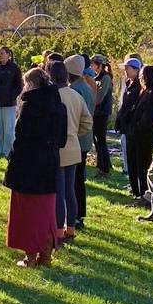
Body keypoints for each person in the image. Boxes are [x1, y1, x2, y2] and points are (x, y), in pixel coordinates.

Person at [5, 68, 67, 268]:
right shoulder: (58, 106)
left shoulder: (30, 106)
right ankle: (46, 255)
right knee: (46, 211)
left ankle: (30, 257)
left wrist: (14, 160)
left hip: (29, 165)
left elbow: (21, 138)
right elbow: (62, 139)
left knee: (27, 212)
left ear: (30, 84)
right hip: (49, 163)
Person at [49, 61, 91, 240]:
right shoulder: (75, 95)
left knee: (59, 192)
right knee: (70, 191)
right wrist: (74, 133)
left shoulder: (52, 96)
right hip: (73, 148)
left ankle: (58, 230)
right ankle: (71, 228)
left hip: (57, 149)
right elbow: (88, 123)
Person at [130, 66, 153, 220]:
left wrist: (138, 128)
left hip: (145, 135)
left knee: (144, 166)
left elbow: (148, 117)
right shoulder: (147, 92)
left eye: (142, 75)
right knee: (142, 166)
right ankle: (144, 193)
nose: (140, 77)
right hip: (142, 133)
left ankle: (146, 195)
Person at [65, 55, 94, 228]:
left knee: (74, 181)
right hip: (83, 139)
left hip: (77, 140)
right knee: (78, 180)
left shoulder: (76, 90)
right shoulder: (86, 86)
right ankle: (80, 213)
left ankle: (75, 215)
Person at [0, 46, 23, 158]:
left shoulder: (14, 68)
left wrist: (11, 96)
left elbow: (19, 85)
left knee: (8, 129)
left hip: (8, 104)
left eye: (2, 53)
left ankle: (8, 151)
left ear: (8, 55)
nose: (0, 55)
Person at [115, 56, 143, 194]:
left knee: (134, 158)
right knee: (126, 154)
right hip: (126, 126)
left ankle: (137, 187)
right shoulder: (128, 83)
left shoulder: (139, 86)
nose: (125, 71)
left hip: (132, 127)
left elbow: (133, 107)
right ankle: (133, 185)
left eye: (128, 68)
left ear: (136, 70)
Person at [90, 55, 114, 178]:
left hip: (102, 113)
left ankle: (104, 169)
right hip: (96, 113)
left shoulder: (105, 78)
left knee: (101, 141)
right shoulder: (96, 77)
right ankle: (102, 166)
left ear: (99, 65)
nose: (91, 66)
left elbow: (99, 98)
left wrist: (90, 100)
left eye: (93, 64)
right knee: (97, 141)